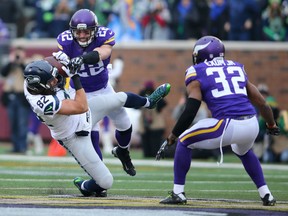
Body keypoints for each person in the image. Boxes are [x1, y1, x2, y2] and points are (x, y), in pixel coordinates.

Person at [157, 36, 280, 206]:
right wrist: (271, 124)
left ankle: (178, 193)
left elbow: (191, 108)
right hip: (251, 123)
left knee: (184, 140)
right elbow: (262, 103)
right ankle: (266, 194)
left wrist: (173, 135)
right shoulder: (236, 67)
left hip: (227, 124)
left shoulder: (196, 71)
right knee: (243, 151)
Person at [23, 59, 170, 197]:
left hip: (83, 114)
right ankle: (84, 186)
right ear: (39, 86)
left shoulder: (32, 82)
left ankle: (148, 102)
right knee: (106, 182)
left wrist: (63, 60)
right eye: (51, 81)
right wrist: (74, 75)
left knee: (119, 98)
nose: (55, 81)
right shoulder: (43, 103)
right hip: (74, 135)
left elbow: (47, 63)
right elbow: (81, 106)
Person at [53, 9, 137, 176]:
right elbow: (60, 62)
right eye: (78, 31)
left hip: (104, 88)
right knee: (91, 133)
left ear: (95, 30)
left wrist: (82, 59)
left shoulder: (104, 36)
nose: (82, 35)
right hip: (79, 92)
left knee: (124, 123)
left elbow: (103, 52)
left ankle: (123, 152)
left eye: (86, 31)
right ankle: (99, 178)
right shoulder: (65, 41)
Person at [0, 46, 30, 154]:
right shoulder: (9, 65)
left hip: (21, 97)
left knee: (22, 123)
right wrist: (11, 62)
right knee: (13, 123)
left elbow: (27, 73)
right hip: (10, 97)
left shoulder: (27, 64)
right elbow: (3, 73)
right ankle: (15, 146)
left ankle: (23, 147)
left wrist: (21, 62)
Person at [138, 80, 168, 158]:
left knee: (155, 147)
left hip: (156, 125)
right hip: (144, 125)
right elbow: (137, 107)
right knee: (146, 149)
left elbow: (163, 105)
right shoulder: (142, 96)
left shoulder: (158, 96)